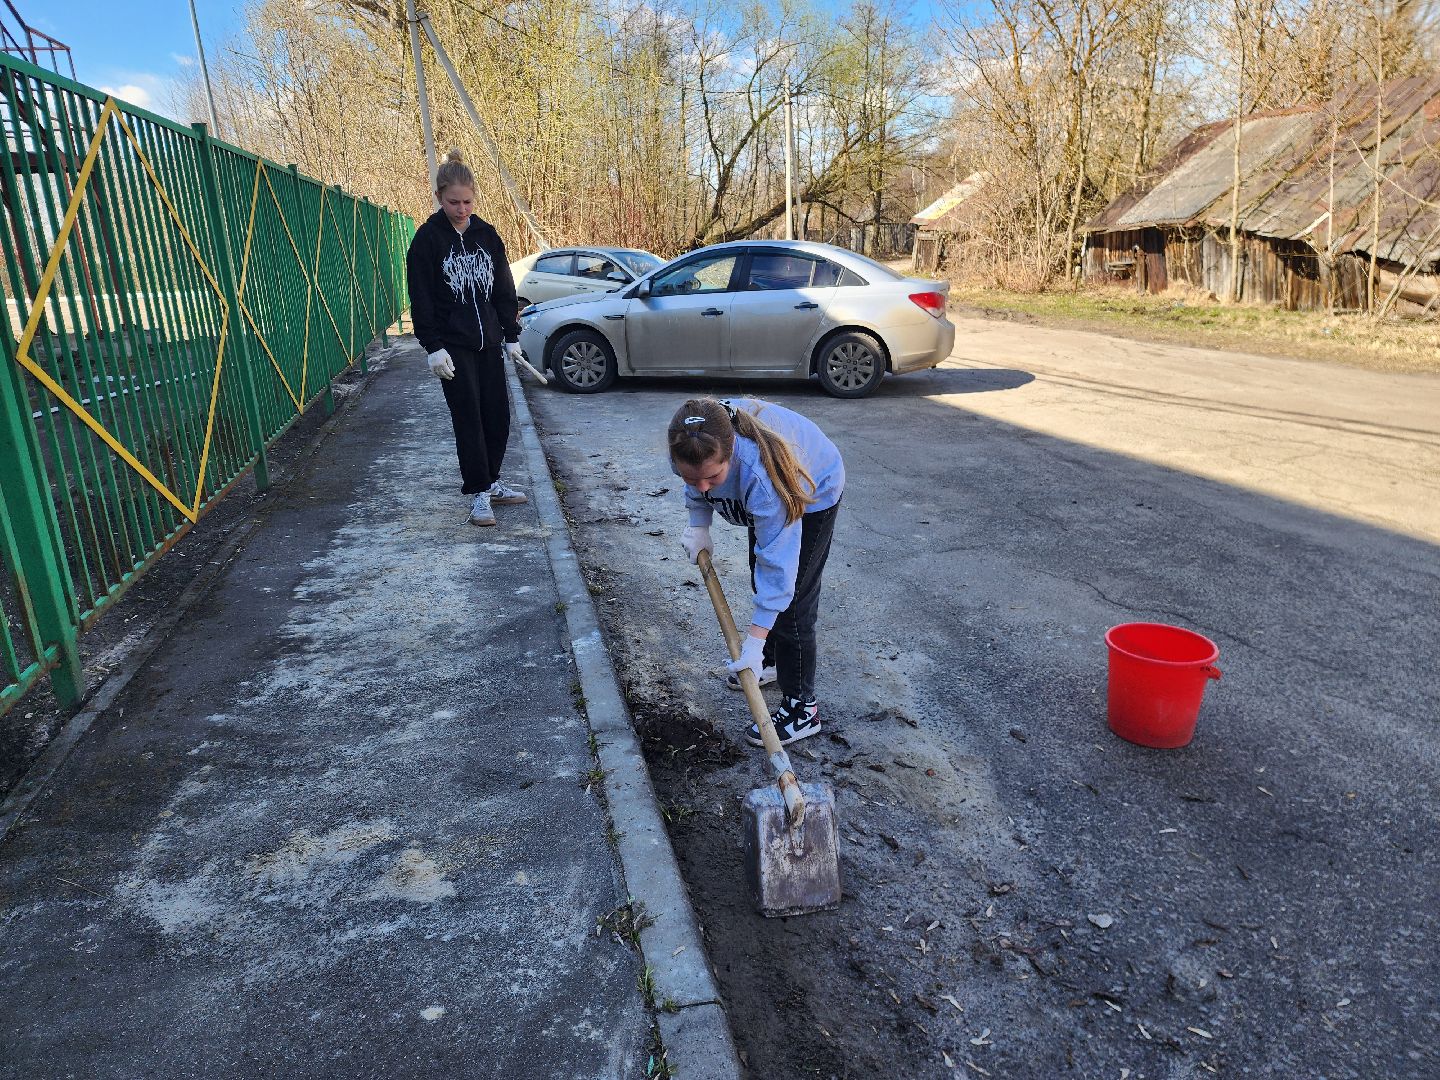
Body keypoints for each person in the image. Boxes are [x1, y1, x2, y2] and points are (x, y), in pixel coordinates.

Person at [668, 397, 845, 747]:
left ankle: (802, 709)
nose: (703, 487)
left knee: (791, 602)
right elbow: (697, 482)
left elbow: (778, 570)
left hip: (813, 489)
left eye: (713, 477)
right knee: (758, 573)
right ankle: (771, 662)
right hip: (767, 488)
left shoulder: (763, 479)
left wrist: (753, 640)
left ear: (731, 454)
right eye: (692, 477)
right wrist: (698, 524)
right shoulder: (690, 445)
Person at [405, 148, 528, 526]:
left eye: (467, 202)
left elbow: (503, 288)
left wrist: (511, 333)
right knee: (468, 418)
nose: (461, 209)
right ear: (439, 198)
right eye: (453, 202)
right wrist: (432, 346)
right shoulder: (427, 240)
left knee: (497, 416)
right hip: (453, 348)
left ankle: (492, 482)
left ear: (476, 197)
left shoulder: (487, 235)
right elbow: (420, 295)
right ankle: (478, 493)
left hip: (489, 342)